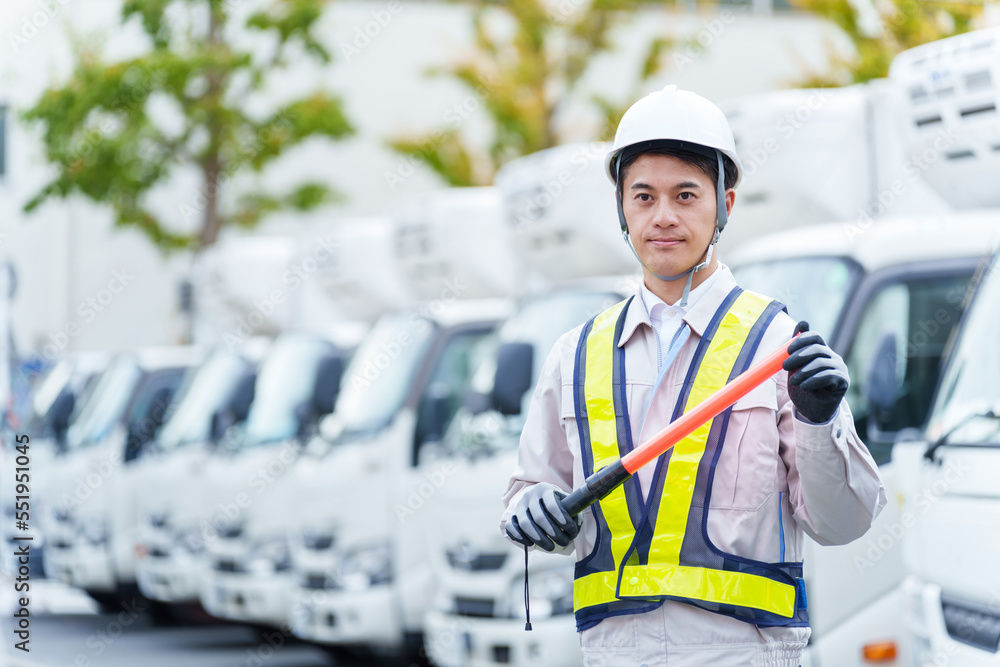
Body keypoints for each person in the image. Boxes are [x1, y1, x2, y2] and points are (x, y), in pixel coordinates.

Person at [499, 85, 886, 667]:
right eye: (644, 196)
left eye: (686, 195)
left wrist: (819, 420)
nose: (663, 217)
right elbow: (528, 495)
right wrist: (531, 510)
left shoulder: (778, 346)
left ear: (725, 203)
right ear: (621, 208)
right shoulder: (574, 355)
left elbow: (841, 524)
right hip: (611, 655)